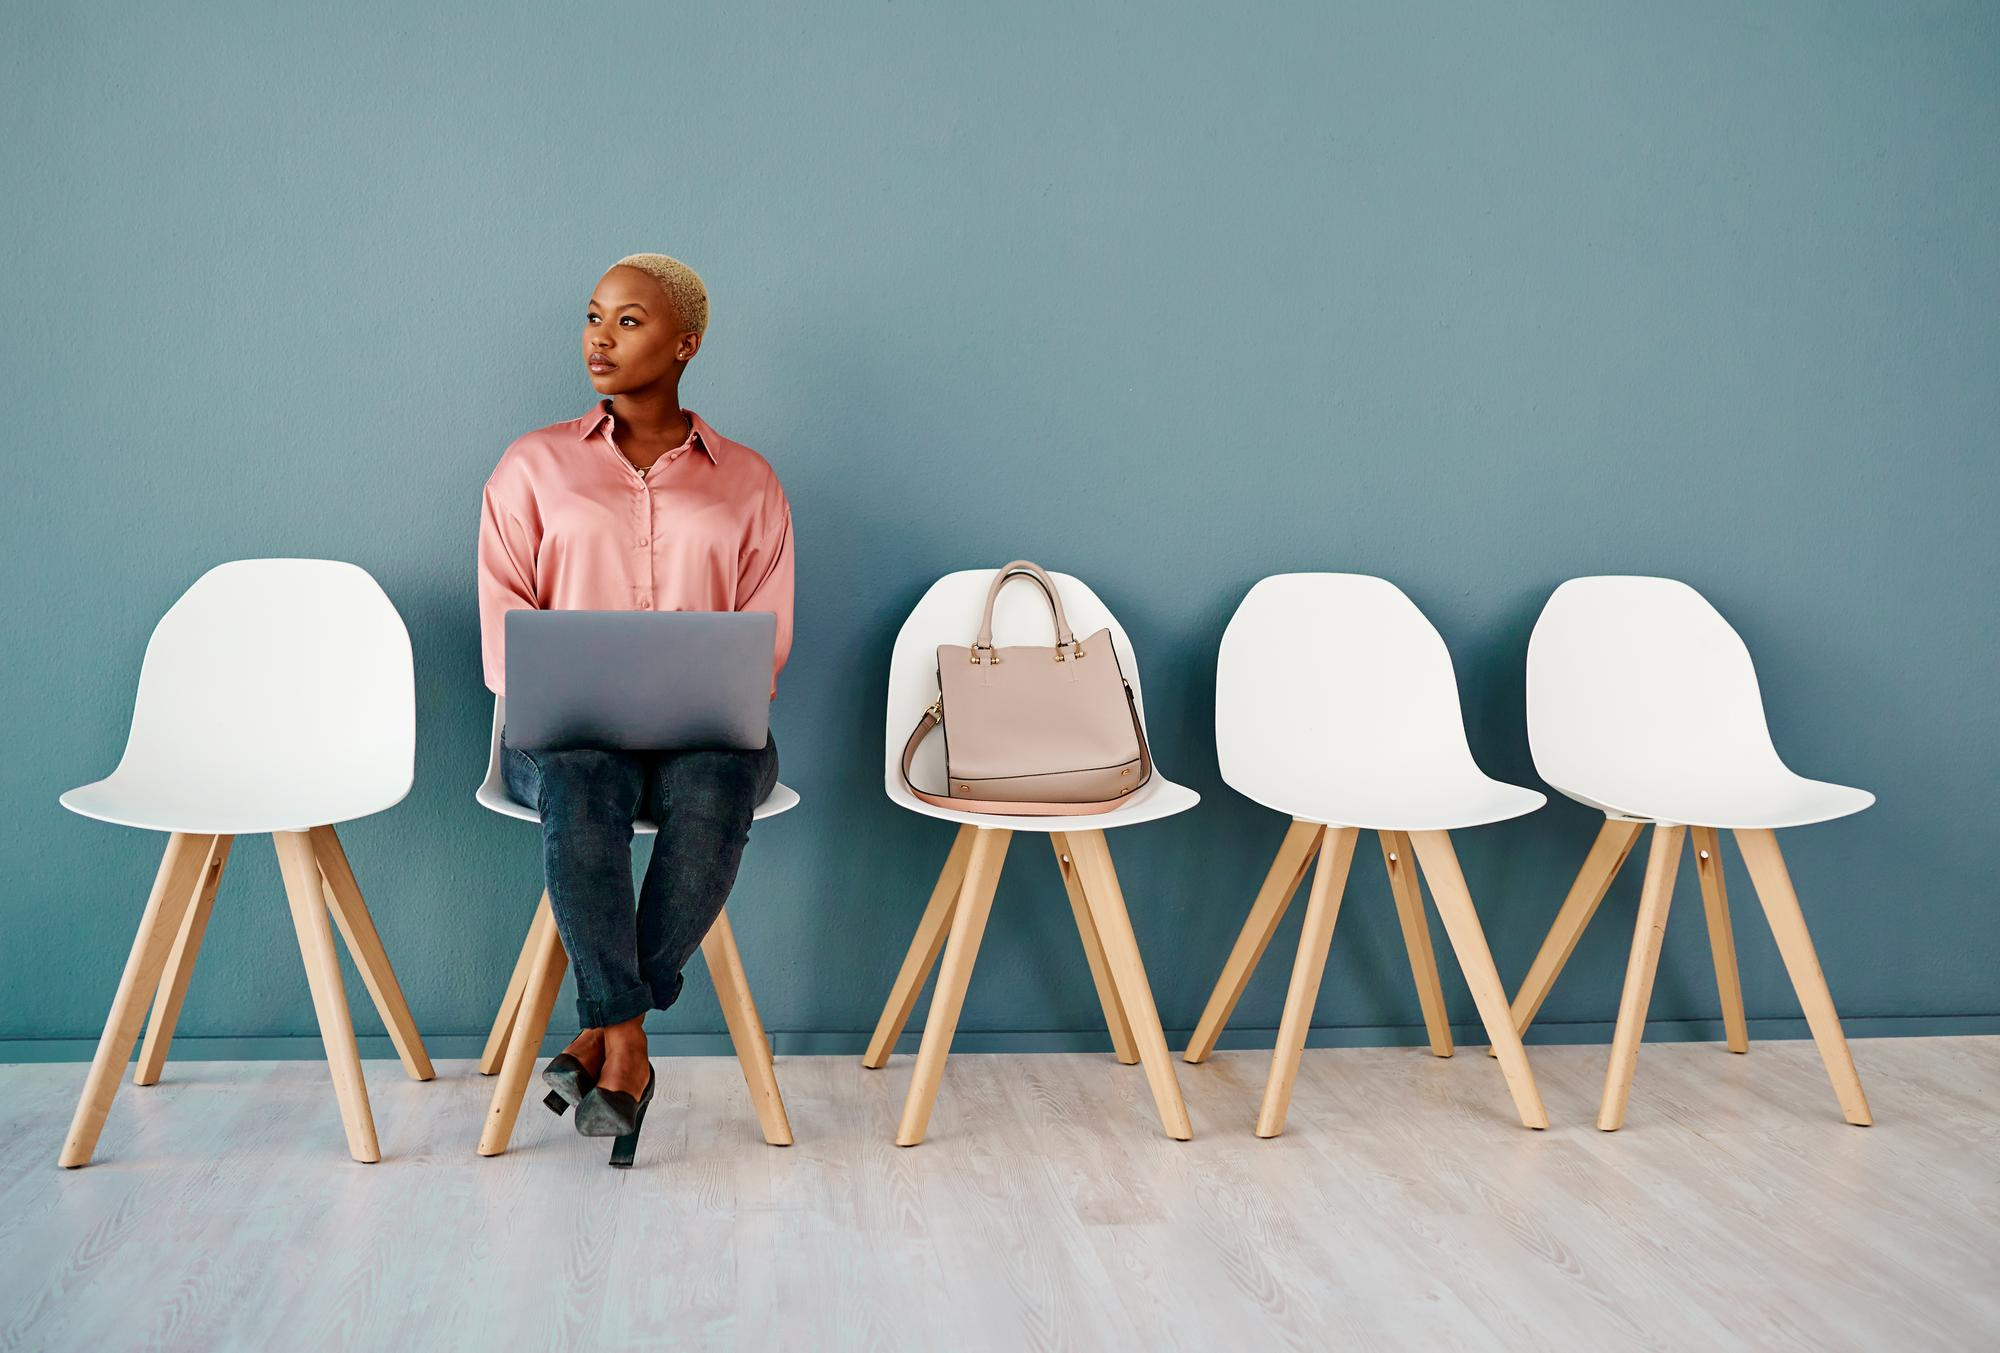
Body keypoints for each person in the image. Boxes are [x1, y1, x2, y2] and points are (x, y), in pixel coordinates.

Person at [476, 253, 793, 1155]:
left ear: (685, 341)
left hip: (707, 735)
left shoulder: (750, 480)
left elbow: (764, 637)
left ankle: (603, 1031)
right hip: (565, 735)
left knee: (717, 788)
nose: (600, 339)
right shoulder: (532, 465)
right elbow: (506, 626)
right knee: (580, 787)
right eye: (592, 317)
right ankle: (628, 1045)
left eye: (629, 321)